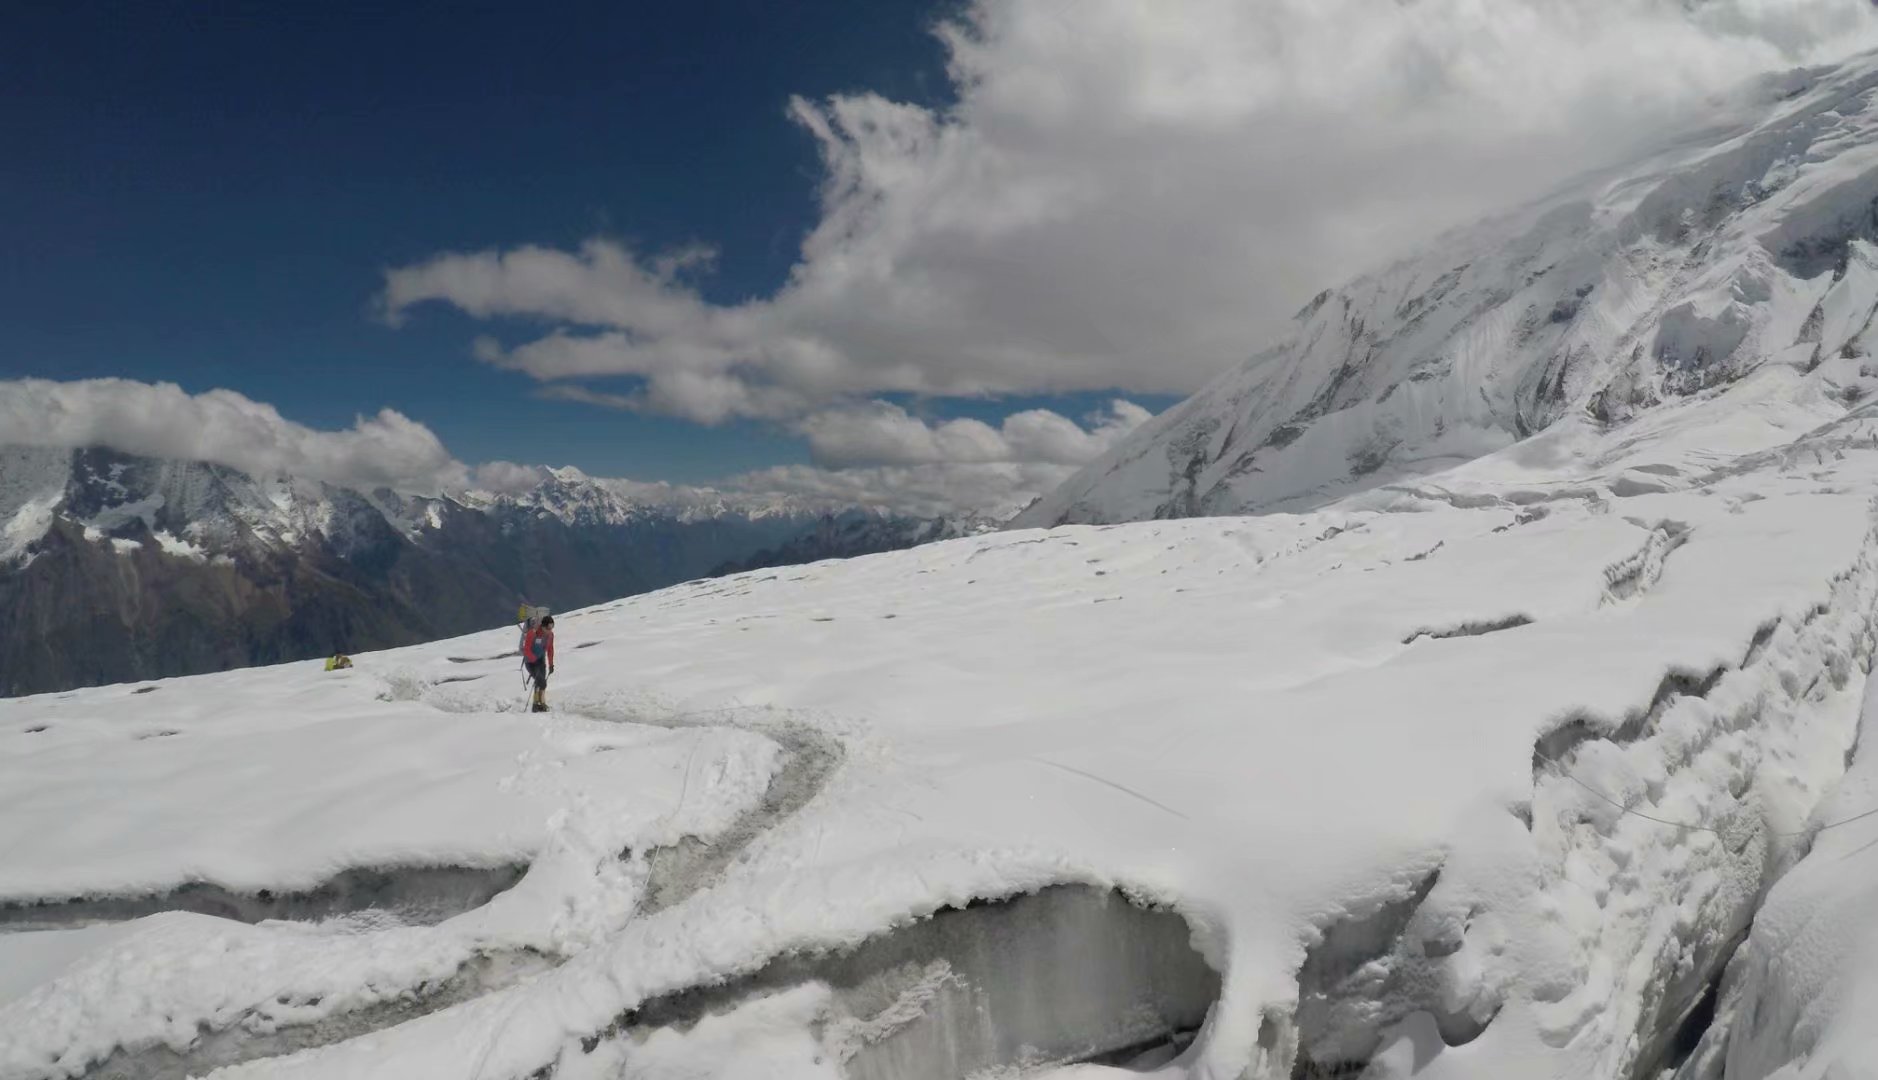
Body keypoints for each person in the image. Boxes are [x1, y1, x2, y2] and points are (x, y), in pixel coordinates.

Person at [522, 614, 555, 712]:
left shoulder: (550, 635)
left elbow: (550, 649)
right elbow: (526, 649)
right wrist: (533, 658)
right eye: (549, 628)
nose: (550, 630)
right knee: (542, 682)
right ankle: (538, 704)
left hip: (540, 661)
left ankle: (538, 704)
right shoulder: (532, 633)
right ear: (543, 626)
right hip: (530, 663)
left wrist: (551, 664)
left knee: (541, 682)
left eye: (552, 627)